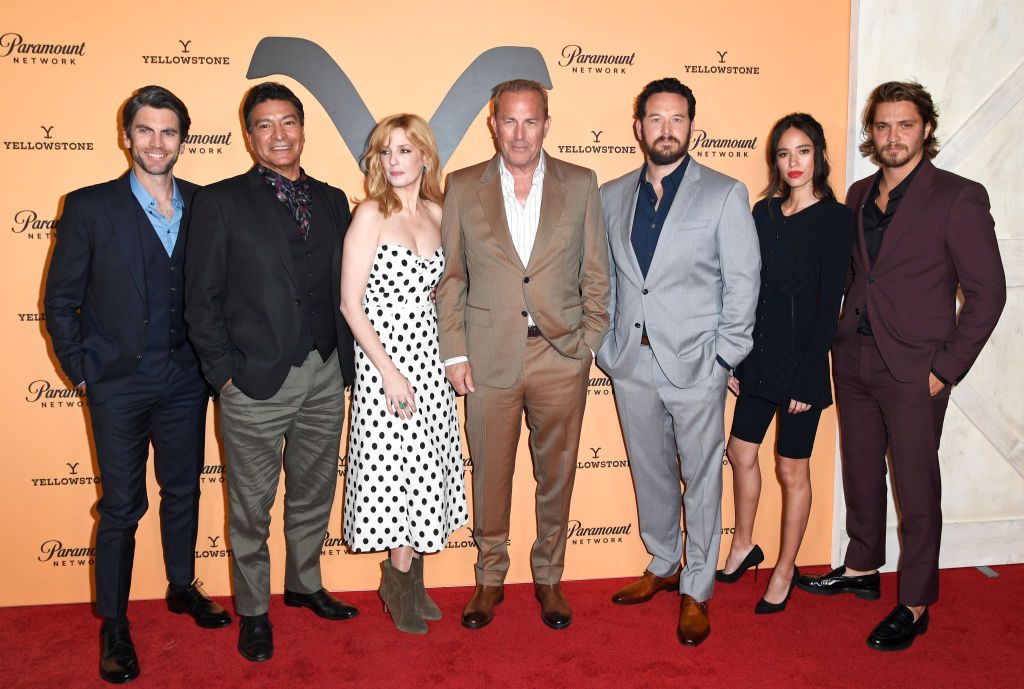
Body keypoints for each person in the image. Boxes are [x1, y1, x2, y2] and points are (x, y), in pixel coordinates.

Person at [797, 81, 1005, 651]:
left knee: (916, 490)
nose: (893, 136)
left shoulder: (959, 198)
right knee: (860, 473)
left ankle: (914, 604)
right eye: (883, 126)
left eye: (905, 125)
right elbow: (849, 276)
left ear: (926, 130)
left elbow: (988, 295)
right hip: (854, 358)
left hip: (917, 369)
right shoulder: (859, 194)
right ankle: (863, 569)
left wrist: (945, 370)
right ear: (872, 133)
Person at [44, 85, 230, 684]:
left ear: (183, 139)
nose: (157, 142)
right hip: (117, 384)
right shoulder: (90, 207)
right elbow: (60, 301)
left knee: (184, 491)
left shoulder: (205, 204)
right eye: (145, 130)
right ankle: (116, 623)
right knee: (122, 506)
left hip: (184, 380)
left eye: (169, 131)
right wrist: (84, 373)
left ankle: (181, 586)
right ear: (127, 136)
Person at [184, 82, 358, 662]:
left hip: (326, 372)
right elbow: (200, 299)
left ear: (303, 129)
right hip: (253, 382)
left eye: (288, 122)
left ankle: (304, 582)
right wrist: (223, 374)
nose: (279, 134)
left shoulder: (335, 199)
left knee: (312, 491)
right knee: (251, 504)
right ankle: (254, 610)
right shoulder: (219, 201)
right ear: (248, 133)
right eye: (265, 124)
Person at [436, 79, 610, 631]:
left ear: (546, 124)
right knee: (489, 474)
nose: (518, 132)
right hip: (487, 359)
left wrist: (587, 344)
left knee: (556, 475)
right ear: (493, 124)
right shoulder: (461, 186)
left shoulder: (580, 183)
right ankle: (489, 579)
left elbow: (596, 274)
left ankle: (549, 576)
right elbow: (451, 280)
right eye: (508, 121)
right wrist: (454, 354)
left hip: (561, 355)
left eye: (530, 121)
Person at [597, 77, 760, 646]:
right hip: (630, 363)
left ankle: (697, 588)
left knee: (702, 481)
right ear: (638, 127)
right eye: (656, 119)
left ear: (692, 126)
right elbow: (607, 281)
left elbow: (743, 280)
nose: (666, 130)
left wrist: (726, 356)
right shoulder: (611, 195)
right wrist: (605, 345)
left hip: (698, 364)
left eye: (678, 119)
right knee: (651, 473)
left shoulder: (724, 192)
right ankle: (664, 561)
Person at [716, 113, 854, 614]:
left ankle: (785, 566)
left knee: (791, 467)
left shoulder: (836, 219)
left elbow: (830, 302)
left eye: (802, 151)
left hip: (803, 364)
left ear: (818, 155)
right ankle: (744, 544)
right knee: (740, 452)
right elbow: (748, 290)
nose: (793, 163)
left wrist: (809, 374)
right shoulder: (763, 212)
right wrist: (736, 355)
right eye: (783, 153)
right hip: (757, 357)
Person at [340, 114, 469, 634]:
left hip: (432, 360)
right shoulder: (371, 213)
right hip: (384, 363)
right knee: (395, 472)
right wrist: (389, 373)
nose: (392, 162)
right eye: (385, 153)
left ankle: (412, 581)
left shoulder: (440, 213)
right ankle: (398, 584)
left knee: (427, 469)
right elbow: (351, 305)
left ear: (425, 157)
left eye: (403, 151)